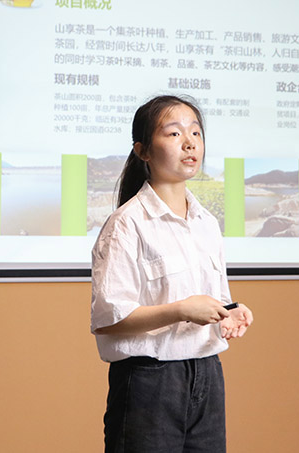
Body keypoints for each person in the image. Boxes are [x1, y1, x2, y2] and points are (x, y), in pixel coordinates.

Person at [90, 94, 253, 452]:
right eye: (174, 133)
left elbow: (211, 299)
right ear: (143, 151)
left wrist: (229, 311)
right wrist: (181, 310)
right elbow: (108, 318)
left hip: (208, 375)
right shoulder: (126, 224)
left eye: (196, 132)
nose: (190, 142)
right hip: (149, 381)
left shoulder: (207, 223)